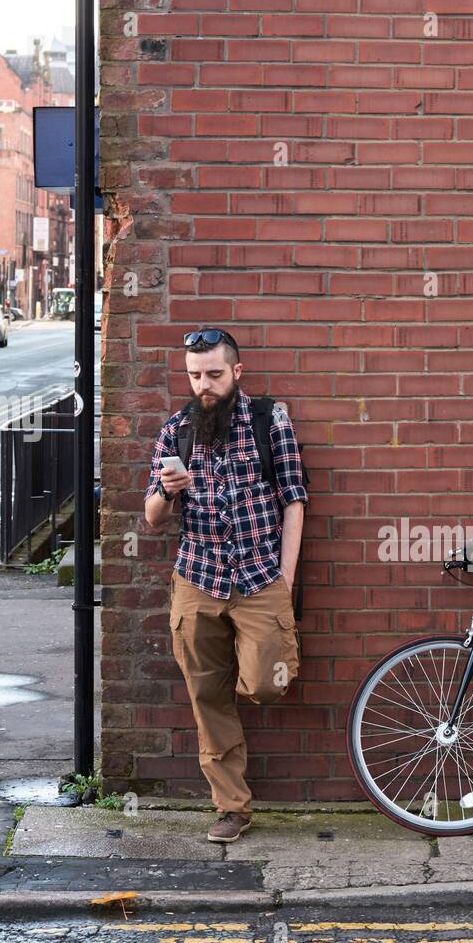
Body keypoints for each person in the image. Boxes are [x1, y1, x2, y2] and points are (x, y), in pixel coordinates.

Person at [144, 328, 307, 842]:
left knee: (267, 683)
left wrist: (286, 577)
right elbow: (152, 517)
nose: (204, 385)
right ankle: (231, 807)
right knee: (207, 698)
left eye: (214, 374)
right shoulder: (177, 430)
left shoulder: (268, 419)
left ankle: (244, 664)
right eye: (195, 375)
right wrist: (167, 493)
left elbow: (294, 499)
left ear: (237, 372)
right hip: (197, 579)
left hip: (261, 577)